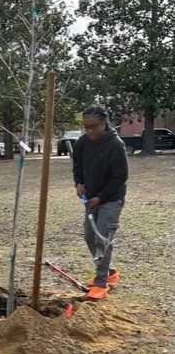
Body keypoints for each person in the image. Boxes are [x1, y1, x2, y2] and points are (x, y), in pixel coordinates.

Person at [72, 105, 128, 300]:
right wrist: (78, 183)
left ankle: (101, 282)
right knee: (89, 237)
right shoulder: (82, 142)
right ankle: (110, 272)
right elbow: (77, 165)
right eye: (86, 126)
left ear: (104, 123)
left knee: (102, 239)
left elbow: (121, 177)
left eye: (93, 126)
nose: (89, 131)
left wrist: (102, 197)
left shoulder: (115, 145)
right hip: (90, 198)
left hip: (111, 199)